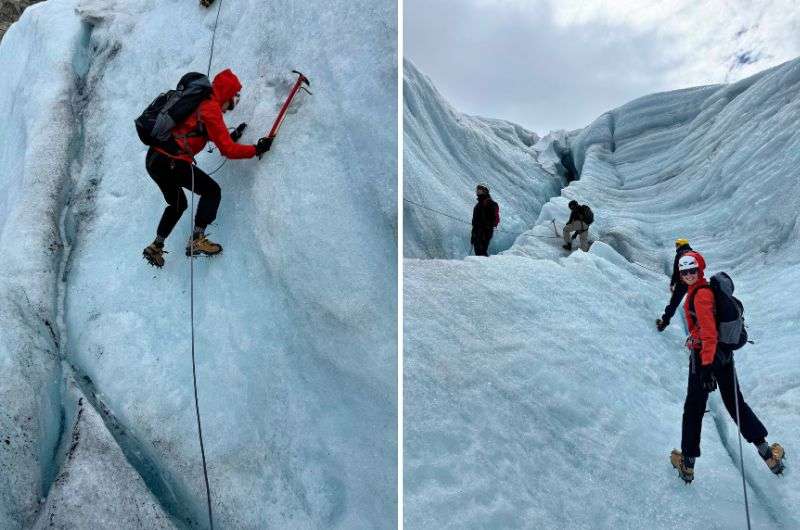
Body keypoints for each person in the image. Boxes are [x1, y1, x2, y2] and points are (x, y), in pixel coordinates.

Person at [670, 251, 784, 483]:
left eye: (693, 270)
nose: (689, 275)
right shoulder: (704, 290)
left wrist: (705, 368)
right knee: (735, 404)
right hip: (723, 357)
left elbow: (710, 334)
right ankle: (768, 455)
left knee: (693, 409)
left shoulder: (700, 296)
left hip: (706, 358)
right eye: (684, 272)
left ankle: (688, 465)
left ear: (700, 269)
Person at [142, 69, 273, 268]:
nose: (231, 107)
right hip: (172, 161)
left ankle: (156, 246)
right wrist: (256, 149)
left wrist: (233, 136)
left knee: (177, 204)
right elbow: (227, 150)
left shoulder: (199, 106)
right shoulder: (211, 108)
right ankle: (197, 239)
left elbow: (213, 137)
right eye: (234, 100)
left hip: (154, 160)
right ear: (227, 95)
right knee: (212, 191)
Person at [656, 238, 693, 331]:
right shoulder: (693, 254)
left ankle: (663, 323)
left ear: (680, 245)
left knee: (673, 304)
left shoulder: (679, 254)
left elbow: (676, 272)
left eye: (677, 244)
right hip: (694, 283)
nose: (676, 247)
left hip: (682, 284)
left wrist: (672, 284)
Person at [471, 184, 499, 257]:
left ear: (485, 191)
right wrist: (473, 234)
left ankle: (485, 266)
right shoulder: (480, 203)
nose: (477, 191)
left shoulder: (488, 202)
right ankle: (483, 266)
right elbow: (475, 221)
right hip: (479, 231)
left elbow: (491, 218)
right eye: (477, 189)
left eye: (479, 190)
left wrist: (485, 228)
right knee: (479, 251)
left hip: (484, 231)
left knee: (481, 251)